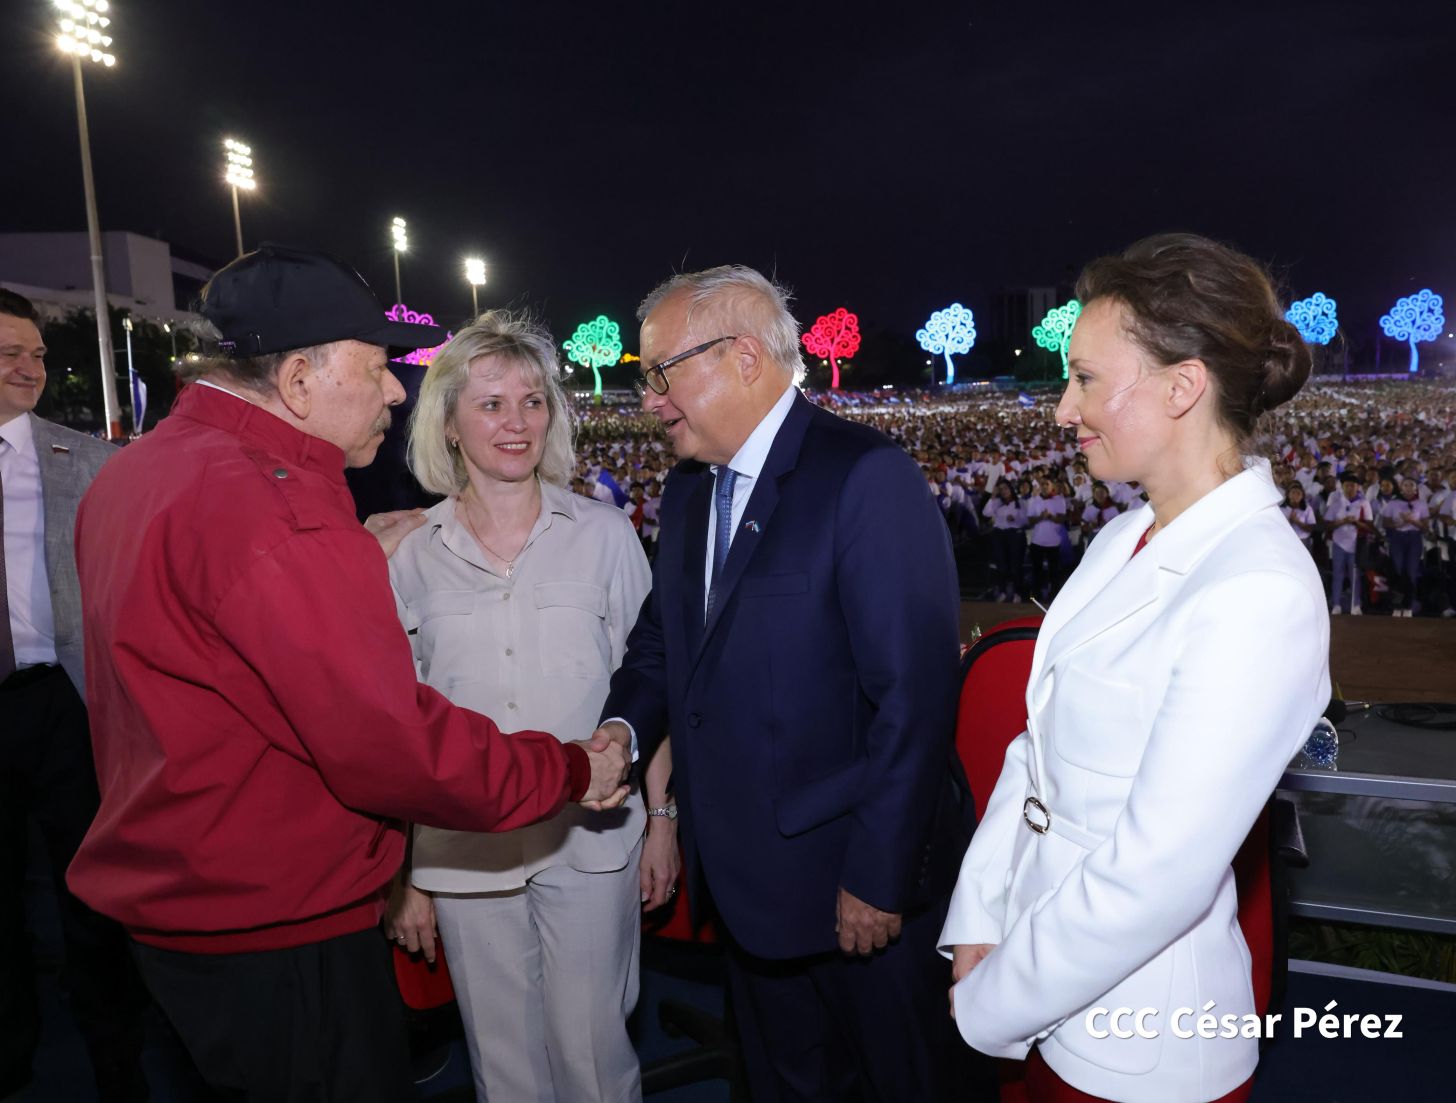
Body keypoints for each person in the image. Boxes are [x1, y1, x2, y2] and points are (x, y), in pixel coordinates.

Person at [65, 245, 631, 1103]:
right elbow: (391, 745)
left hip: (185, 898)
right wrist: (568, 766)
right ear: (298, 379)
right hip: (275, 916)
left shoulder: (137, 472)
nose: (398, 392)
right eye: (377, 370)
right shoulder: (281, 513)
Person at [941, 234, 1330, 1103]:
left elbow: (1156, 875)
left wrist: (990, 1003)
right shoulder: (1125, 534)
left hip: (1138, 1044)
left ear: (1182, 385)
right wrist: (979, 919)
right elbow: (1033, 753)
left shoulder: (1257, 589)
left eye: (1084, 377)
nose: (1061, 410)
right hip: (1034, 992)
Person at [595, 266, 983, 1102]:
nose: (649, 399)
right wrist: (621, 733)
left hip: (857, 891)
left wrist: (878, 874)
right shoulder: (692, 489)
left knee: (902, 1083)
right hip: (744, 886)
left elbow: (913, 701)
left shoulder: (864, 478)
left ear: (742, 356)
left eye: (660, 372)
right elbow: (666, 640)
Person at [383, 312, 669, 1103]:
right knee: (501, 1063)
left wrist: (664, 818)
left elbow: (648, 684)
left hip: (593, 832)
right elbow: (399, 729)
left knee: (595, 1054)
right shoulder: (406, 554)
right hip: (463, 842)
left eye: (534, 400)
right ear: (447, 421)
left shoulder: (607, 535)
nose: (517, 422)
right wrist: (409, 872)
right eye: (492, 403)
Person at [0, 289, 148, 1102]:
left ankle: (117, 1060)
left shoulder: (86, 459)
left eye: (37, 356)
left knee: (91, 890)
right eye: (10, 354)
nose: (30, 369)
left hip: (68, 702)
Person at [1324, 472, 1372, 614]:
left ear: (1358, 487)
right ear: (1342, 487)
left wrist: (1356, 523)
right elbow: (1328, 525)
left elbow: (1369, 526)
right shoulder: (1336, 504)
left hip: (1356, 543)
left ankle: (1356, 604)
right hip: (1339, 543)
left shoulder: (1364, 504)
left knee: (1355, 575)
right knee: (1338, 574)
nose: (1349, 488)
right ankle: (1336, 604)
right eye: (1346, 485)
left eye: (1352, 485)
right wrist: (1342, 522)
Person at [1381, 477, 1429, 616]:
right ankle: (1397, 604)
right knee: (1397, 570)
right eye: (1405, 485)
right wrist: (1399, 523)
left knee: (1411, 571)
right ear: (1401, 488)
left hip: (1414, 538)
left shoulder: (1421, 504)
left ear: (1416, 488)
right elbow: (1385, 523)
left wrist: (1412, 521)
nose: (1408, 488)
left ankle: (1408, 605)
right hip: (1397, 538)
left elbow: (1425, 527)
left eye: (1411, 485)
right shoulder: (1393, 503)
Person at [983, 480, 1028, 601]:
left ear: (1011, 489)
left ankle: (1017, 593)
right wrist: (992, 496)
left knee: (1015, 564)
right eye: (1001, 489)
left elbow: (1025, 520)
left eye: (1006, 488)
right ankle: (1002, 591)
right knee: (1000, 564)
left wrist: (1015, 519)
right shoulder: (997, 502)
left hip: (1014, 535)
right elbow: (986, 513)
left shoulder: (1020, 502)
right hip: (999, 534)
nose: (1003, 491)